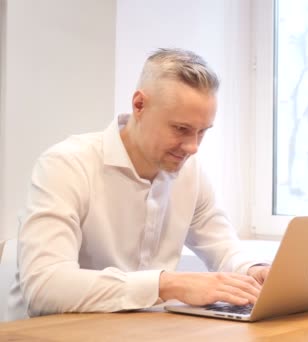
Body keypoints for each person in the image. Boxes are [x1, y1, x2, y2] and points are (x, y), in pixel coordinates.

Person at [7, 48, 270, 320]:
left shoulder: (190, 171)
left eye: (202, 131)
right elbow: (45, 287)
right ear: (139, 105)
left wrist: (254, 269)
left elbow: (224, 247)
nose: (193, 147)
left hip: (141, 331)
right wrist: (168, 284)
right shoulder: (66, 165)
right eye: (181, 129)